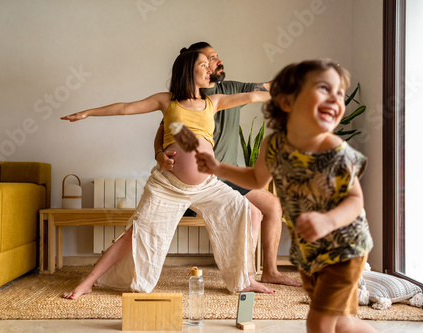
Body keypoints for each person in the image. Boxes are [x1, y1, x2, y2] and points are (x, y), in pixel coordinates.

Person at [60, 50, 270, 299]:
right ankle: (89, 282)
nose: (209, 70)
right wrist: (88, 112)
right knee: (135, 234)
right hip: (168, 185)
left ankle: (245, 279)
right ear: (187, 72)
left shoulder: (215, 102)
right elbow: (126, 108)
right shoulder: (167, 100)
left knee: (249, 212)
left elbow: (255, 95)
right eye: (203, 65)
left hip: (207, 186)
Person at [195, 59, 376, 333]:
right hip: (309, 252)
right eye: (324, 88)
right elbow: (255, 179)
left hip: (344, 247)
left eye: (339, 93)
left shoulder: (333, 148)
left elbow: (355, 201)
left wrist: (327, 222)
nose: (336, 98)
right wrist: (219, 168)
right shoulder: (274, 145)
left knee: (320, 321)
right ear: (287, 101)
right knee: (342, 322)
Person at [154, 42, 300, 292]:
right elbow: (164, 131)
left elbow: (266, 88)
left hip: (226, 177)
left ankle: (266, 272)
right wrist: (159, 154)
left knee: (269, 207)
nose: (218, 60)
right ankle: (247, 275)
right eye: (210, 58)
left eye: (217, 56)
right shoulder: (183, 98)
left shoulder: (230, 91)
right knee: (257, 210)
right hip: (199, 180)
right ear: (197, 66)